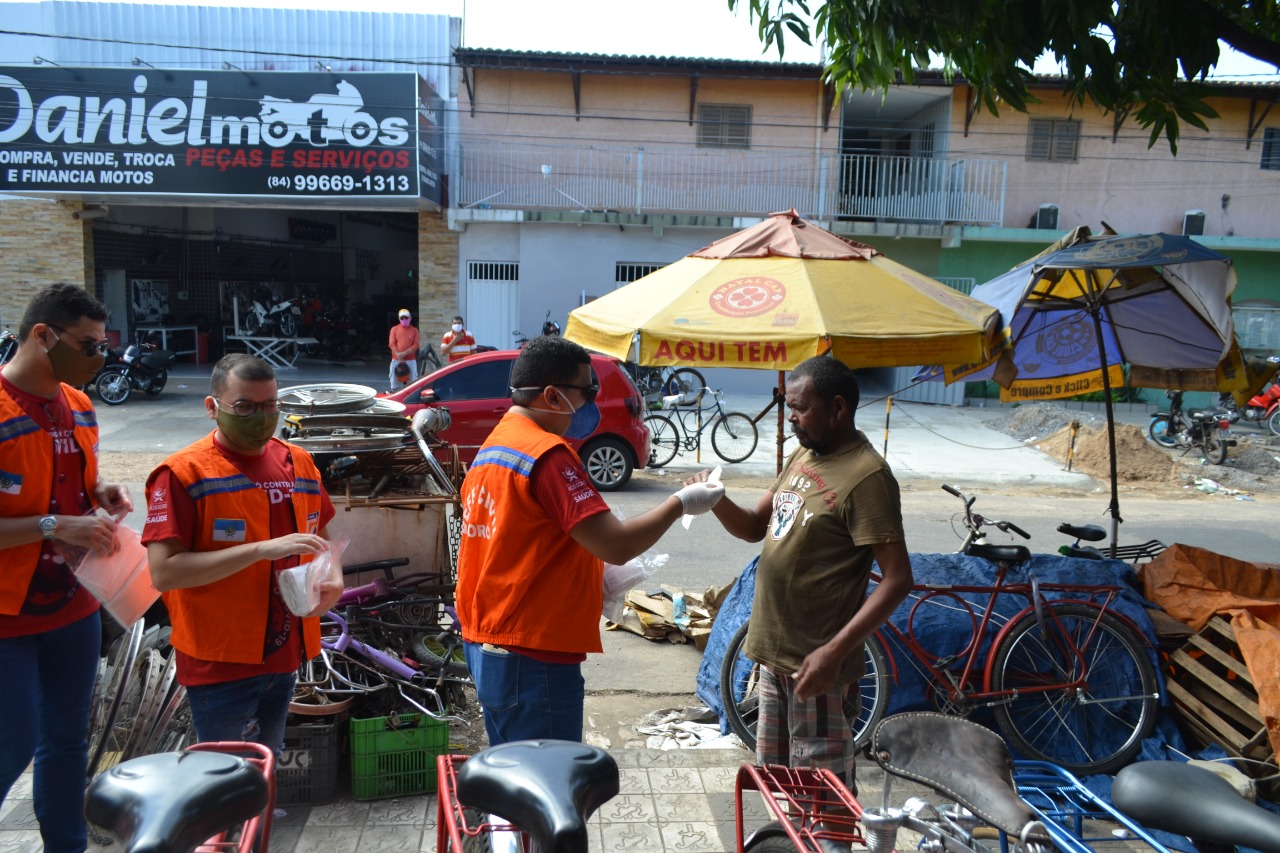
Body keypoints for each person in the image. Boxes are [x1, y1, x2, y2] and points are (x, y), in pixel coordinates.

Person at [455, 335, 724, 746]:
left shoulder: (496, 446)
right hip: (532, 655)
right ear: (552, 395)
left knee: (514, 776)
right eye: (588, 391)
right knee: (545, 788)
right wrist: (681, 502)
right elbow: (614, 544)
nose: (592, 404)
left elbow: (522, 541)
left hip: (491, 643)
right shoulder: (546, 455)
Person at [690, 356, 913, 797]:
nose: (791, 417)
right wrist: (714, 500)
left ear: (838, 408)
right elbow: (756, 525)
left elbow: (897, 578)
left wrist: (833, 653)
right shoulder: (805, 452)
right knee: (780, 785)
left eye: (800, 407)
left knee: (821, 794)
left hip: (816, 670)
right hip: (774, 660)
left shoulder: (866, 477)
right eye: (787, 406)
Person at [142, 353, 344, 752]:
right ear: (212, 408)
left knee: (265, 769)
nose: (262, 417)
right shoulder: (184, 474)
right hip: (220, 663)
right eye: (245, 407)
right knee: (227, 782)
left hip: (285, 656)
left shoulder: (298, 462)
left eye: (271, 406)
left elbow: (322, 535)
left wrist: (332, 573)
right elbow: (164, 572)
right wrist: (260, 550)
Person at [0, 283, 134, 853]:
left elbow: (70, 486)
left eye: (104, 346)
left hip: (71, 606)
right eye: (88, 345)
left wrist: (99, 495)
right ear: (42, 335)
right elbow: (49, 517)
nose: (98, 358)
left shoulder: (78, 405)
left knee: (66, 742)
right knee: (15, 743)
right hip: (7, 615)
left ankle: (67, 844)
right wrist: (57, 526)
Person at [388, 308, 420, 391]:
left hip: (410, 360)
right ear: (399, 319)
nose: (404, 320)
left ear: (410, 318)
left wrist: (403, 354)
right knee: (394, 381)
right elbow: (392, 343)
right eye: (402, 318)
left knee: (413, 383)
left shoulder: (414, 330)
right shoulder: (394, 329)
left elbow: (416, 345)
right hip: (396, 360)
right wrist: (398, 355)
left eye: (406, 318)